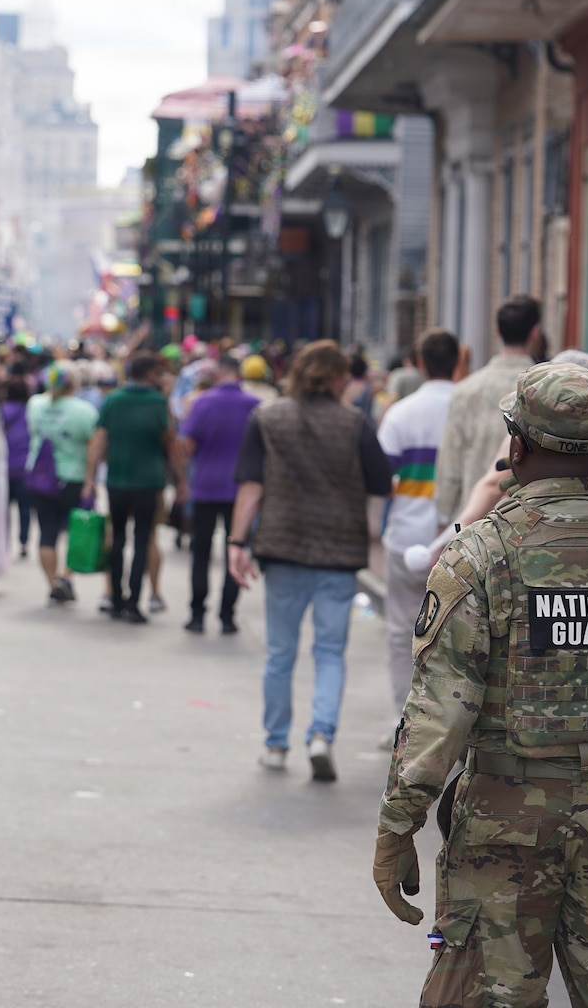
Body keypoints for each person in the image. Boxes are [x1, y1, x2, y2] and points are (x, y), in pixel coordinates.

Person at [373, 362, 588, 1005]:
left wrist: (396, 825)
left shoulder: (479, 553)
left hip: (503, 824)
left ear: (514, 446)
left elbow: (441, 714)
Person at [228, 340, 393, 781]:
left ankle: (276, 744)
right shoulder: (354, 423)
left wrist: (236, 541)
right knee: (330, 653)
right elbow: (381, 482)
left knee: (280, 653)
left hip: (281, 549)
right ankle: (321, 735)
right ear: (340, 378)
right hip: (338, 553)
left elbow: (250, 487)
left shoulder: (267, 418)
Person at [375, 329, 459, 717]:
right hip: (458, 540)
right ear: (458, 362)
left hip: (405, 537)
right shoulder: (470, 407)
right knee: (453, 639)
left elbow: (382, 479)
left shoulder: (401, 413)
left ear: (420, 363)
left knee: (400, 633)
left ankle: (402, 722)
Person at [433, 296, 542, 533]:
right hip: (527, 526)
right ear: (535, 333)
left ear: (497, 331)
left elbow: (449, 466)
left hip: (472, 524)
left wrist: (444, 523)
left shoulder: (466, 390)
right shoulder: (543, 389)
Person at [84, 353, 175, 623]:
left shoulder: (112, 401)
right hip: (148, 483)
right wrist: (182, 480)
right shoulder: (158, 403)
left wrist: (90, 479)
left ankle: (115, 598)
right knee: (143, 540)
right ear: (149, 374)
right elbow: (170, 443)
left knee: (117, 539)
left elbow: (98, 439)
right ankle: (134, 602)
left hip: (117, 482)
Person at [177, 355, 258, 635]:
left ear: (218, 373)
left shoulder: (202, 403)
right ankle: (227, 615)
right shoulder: (254, 405)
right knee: (234, 552)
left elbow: (188, 444)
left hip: (205, 486)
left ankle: (197, 613)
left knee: (200, 551)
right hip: (241, 491)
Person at [26, 362, 99, 604]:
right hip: (73, 478)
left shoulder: (35, 405)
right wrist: (91, 480)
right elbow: (93, 447)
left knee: (47, 533)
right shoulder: (84, 411)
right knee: (75, 532)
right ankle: (66, 578)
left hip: (40, 477)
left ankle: (52, 583)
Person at [0, 372, 34, 559]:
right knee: (25, 508)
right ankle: (24, 542)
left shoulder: (2, 411)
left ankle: (5, 541)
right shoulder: (31, 411)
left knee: (4, 508)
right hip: (25, 466)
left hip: (5, 466)